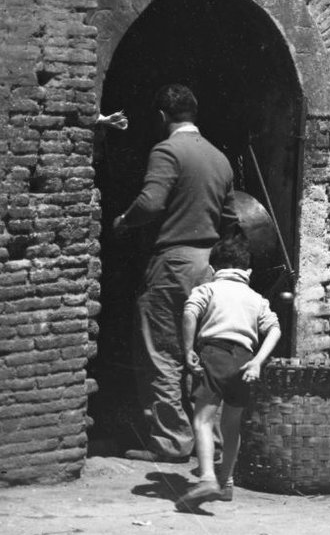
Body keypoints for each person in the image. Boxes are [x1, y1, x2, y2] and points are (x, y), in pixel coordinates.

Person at [114, 84, 237, 462]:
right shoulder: (219, 158)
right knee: (202, 353)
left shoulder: (167, 150)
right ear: (194, 114)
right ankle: (210, 441)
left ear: (163, 116)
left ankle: (173, 442)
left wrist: (124, 220)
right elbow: (232, 217)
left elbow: (151, 203)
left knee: (162, 352)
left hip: (174, 263)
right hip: (209, 266)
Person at [179, 231, 281, 507]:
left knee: (202, 419)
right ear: (247, 271)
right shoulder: (257, 298)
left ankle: (208, 479)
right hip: (245, 359)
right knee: (232, 425)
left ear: (213, 269)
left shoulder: (208, 289)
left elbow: (190, 312)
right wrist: (258, 361)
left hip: (215, 354)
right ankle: (226, 482)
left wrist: (188, 349)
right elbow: (274, 328)